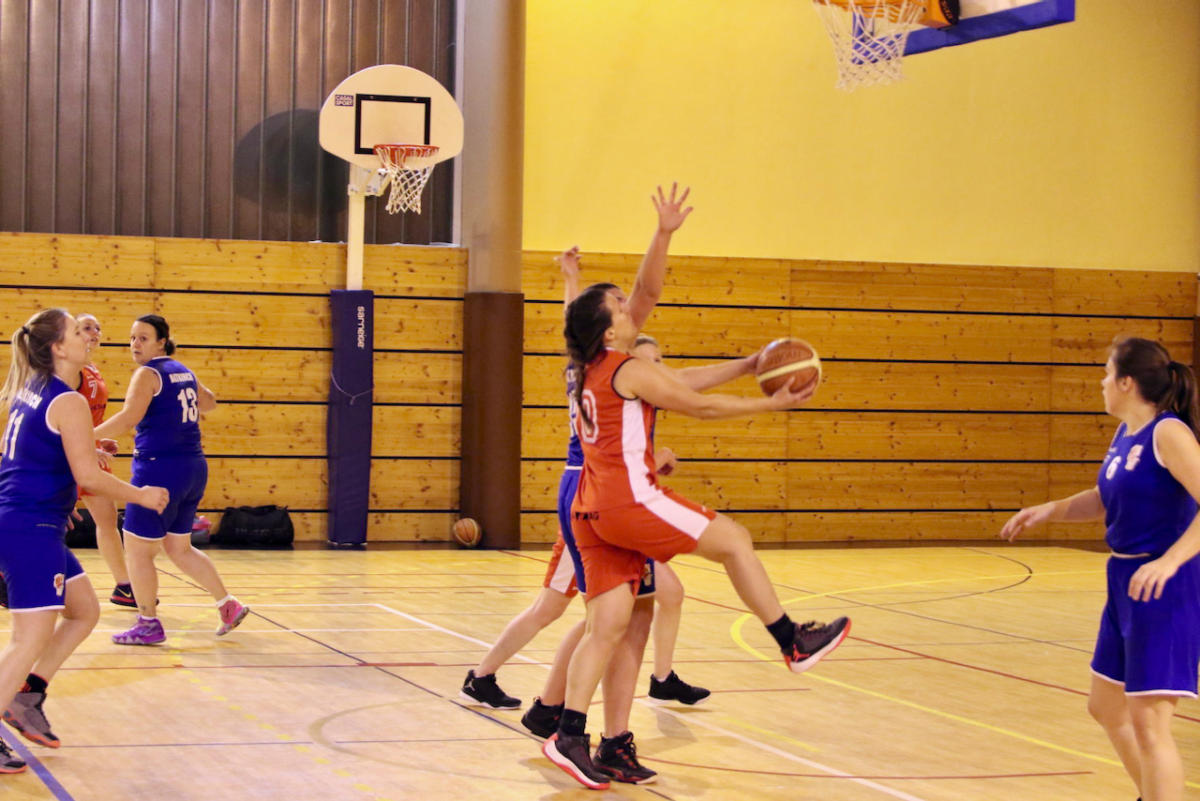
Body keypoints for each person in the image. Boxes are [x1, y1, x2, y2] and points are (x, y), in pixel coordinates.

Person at [542, 284, 851, 790]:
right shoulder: (626, 368)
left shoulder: (586, 369)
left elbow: (680, 379)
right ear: (608, 332)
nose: (630, 307)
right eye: (618, 305)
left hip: (590, 509)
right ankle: (790, 639)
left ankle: (572, 735)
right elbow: (698, 406)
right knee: (734, 540)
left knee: (609, 625)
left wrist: (748, 364)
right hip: (629, 501)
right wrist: (769, 406)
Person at [461, 234, 708, 718]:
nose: (656, 368)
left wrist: (571, 279)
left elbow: (574, 328)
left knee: (633, 603)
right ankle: (513, 688)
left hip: (597, 490)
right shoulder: (609, 377)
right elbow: (579, 327)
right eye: (652, 361)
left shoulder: (590, 370)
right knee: (566, 609)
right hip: (589, 492)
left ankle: (647, 681)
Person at [1001, 337, 1200, 801]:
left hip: (1164, 588)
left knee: (1150, 724)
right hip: (1123, 582)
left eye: (1107, 373)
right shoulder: (1126, 434)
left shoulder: (1169, 434)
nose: (1102, 382)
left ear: (1127, 382)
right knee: (1106, 706)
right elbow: (1103, 499)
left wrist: (1170, 561)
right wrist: (1050, 509)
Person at [0, 309, 168, 771]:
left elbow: (33, 452)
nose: (88, 337)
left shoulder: (34, 387)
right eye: (78, 332)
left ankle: (27, 696)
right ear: (58, 347)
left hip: (29, 522)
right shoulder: (68, 400)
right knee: (29, 638)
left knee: (84, 611)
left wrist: (82, 450)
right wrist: (142, 494)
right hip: (28, 529)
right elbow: (90, 478)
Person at [94, 315, 248, 645]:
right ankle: (227, 604)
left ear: (161, 342)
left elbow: (128, 418)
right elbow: (209, 402)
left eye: (143, 338)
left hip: (159, 470)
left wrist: (84, 436)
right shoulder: (183, 371)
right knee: (179, 547)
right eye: (132, 338)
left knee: (137, 550)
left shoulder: (147, 374)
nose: (135, 344)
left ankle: (148, 623)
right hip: (193, 467)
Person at [75, 313, 138, 607]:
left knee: (107, 518)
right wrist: (87, 445)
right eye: (88, 327)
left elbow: (89, 417)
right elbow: (65, 417)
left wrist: (99, 441)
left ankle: (124, 586)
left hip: (90, 452)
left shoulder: (92, 368)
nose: (95, 332)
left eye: (98, 328)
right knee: (46, 521)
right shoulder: (70, 370)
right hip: (68, 453)